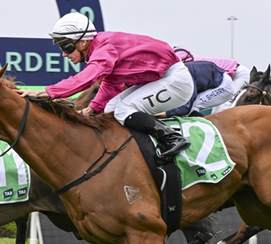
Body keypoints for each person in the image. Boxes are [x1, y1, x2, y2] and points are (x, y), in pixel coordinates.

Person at [15, 12, 195, 159]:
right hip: (161, 79)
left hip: (175, 81)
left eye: (67, 47)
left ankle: (172, 137)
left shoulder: (104, 48)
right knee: (111, 108)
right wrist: (92, 108)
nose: (64, 54)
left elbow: (85, 79)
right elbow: (111, 84)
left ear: (83, 42)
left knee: (123, 110)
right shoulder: (100, 47)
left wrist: (46, 92)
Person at [173, 47, 250, 113]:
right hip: (225, 78)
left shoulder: (191, 67)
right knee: (215, 112)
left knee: (225, 107)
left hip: (239, 74)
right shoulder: (192, 63)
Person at [156, 60, 236, 118]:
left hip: (224, 85)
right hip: (211, 77)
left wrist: (162, 113)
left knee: (193, 107)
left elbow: (185, 108)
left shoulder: (182, 77)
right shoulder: (173, 74)